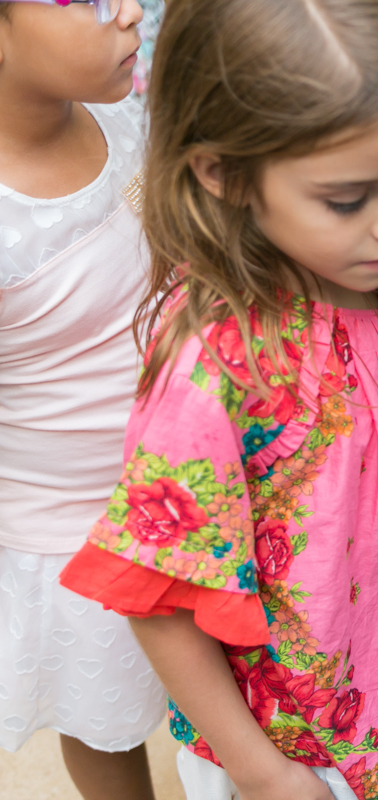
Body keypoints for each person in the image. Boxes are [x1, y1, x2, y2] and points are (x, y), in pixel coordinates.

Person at [56, 1, 378, 798]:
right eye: (350, 198)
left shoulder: (354, 277)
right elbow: (161, 597)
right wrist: (266, 774)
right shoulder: (218, 363)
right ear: (223, 171)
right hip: (291, 761)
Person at [0, 3, 166, 799]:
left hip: (192, 471)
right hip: (72, 525)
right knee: (103, 719)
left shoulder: (122, 111)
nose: (130, 12)